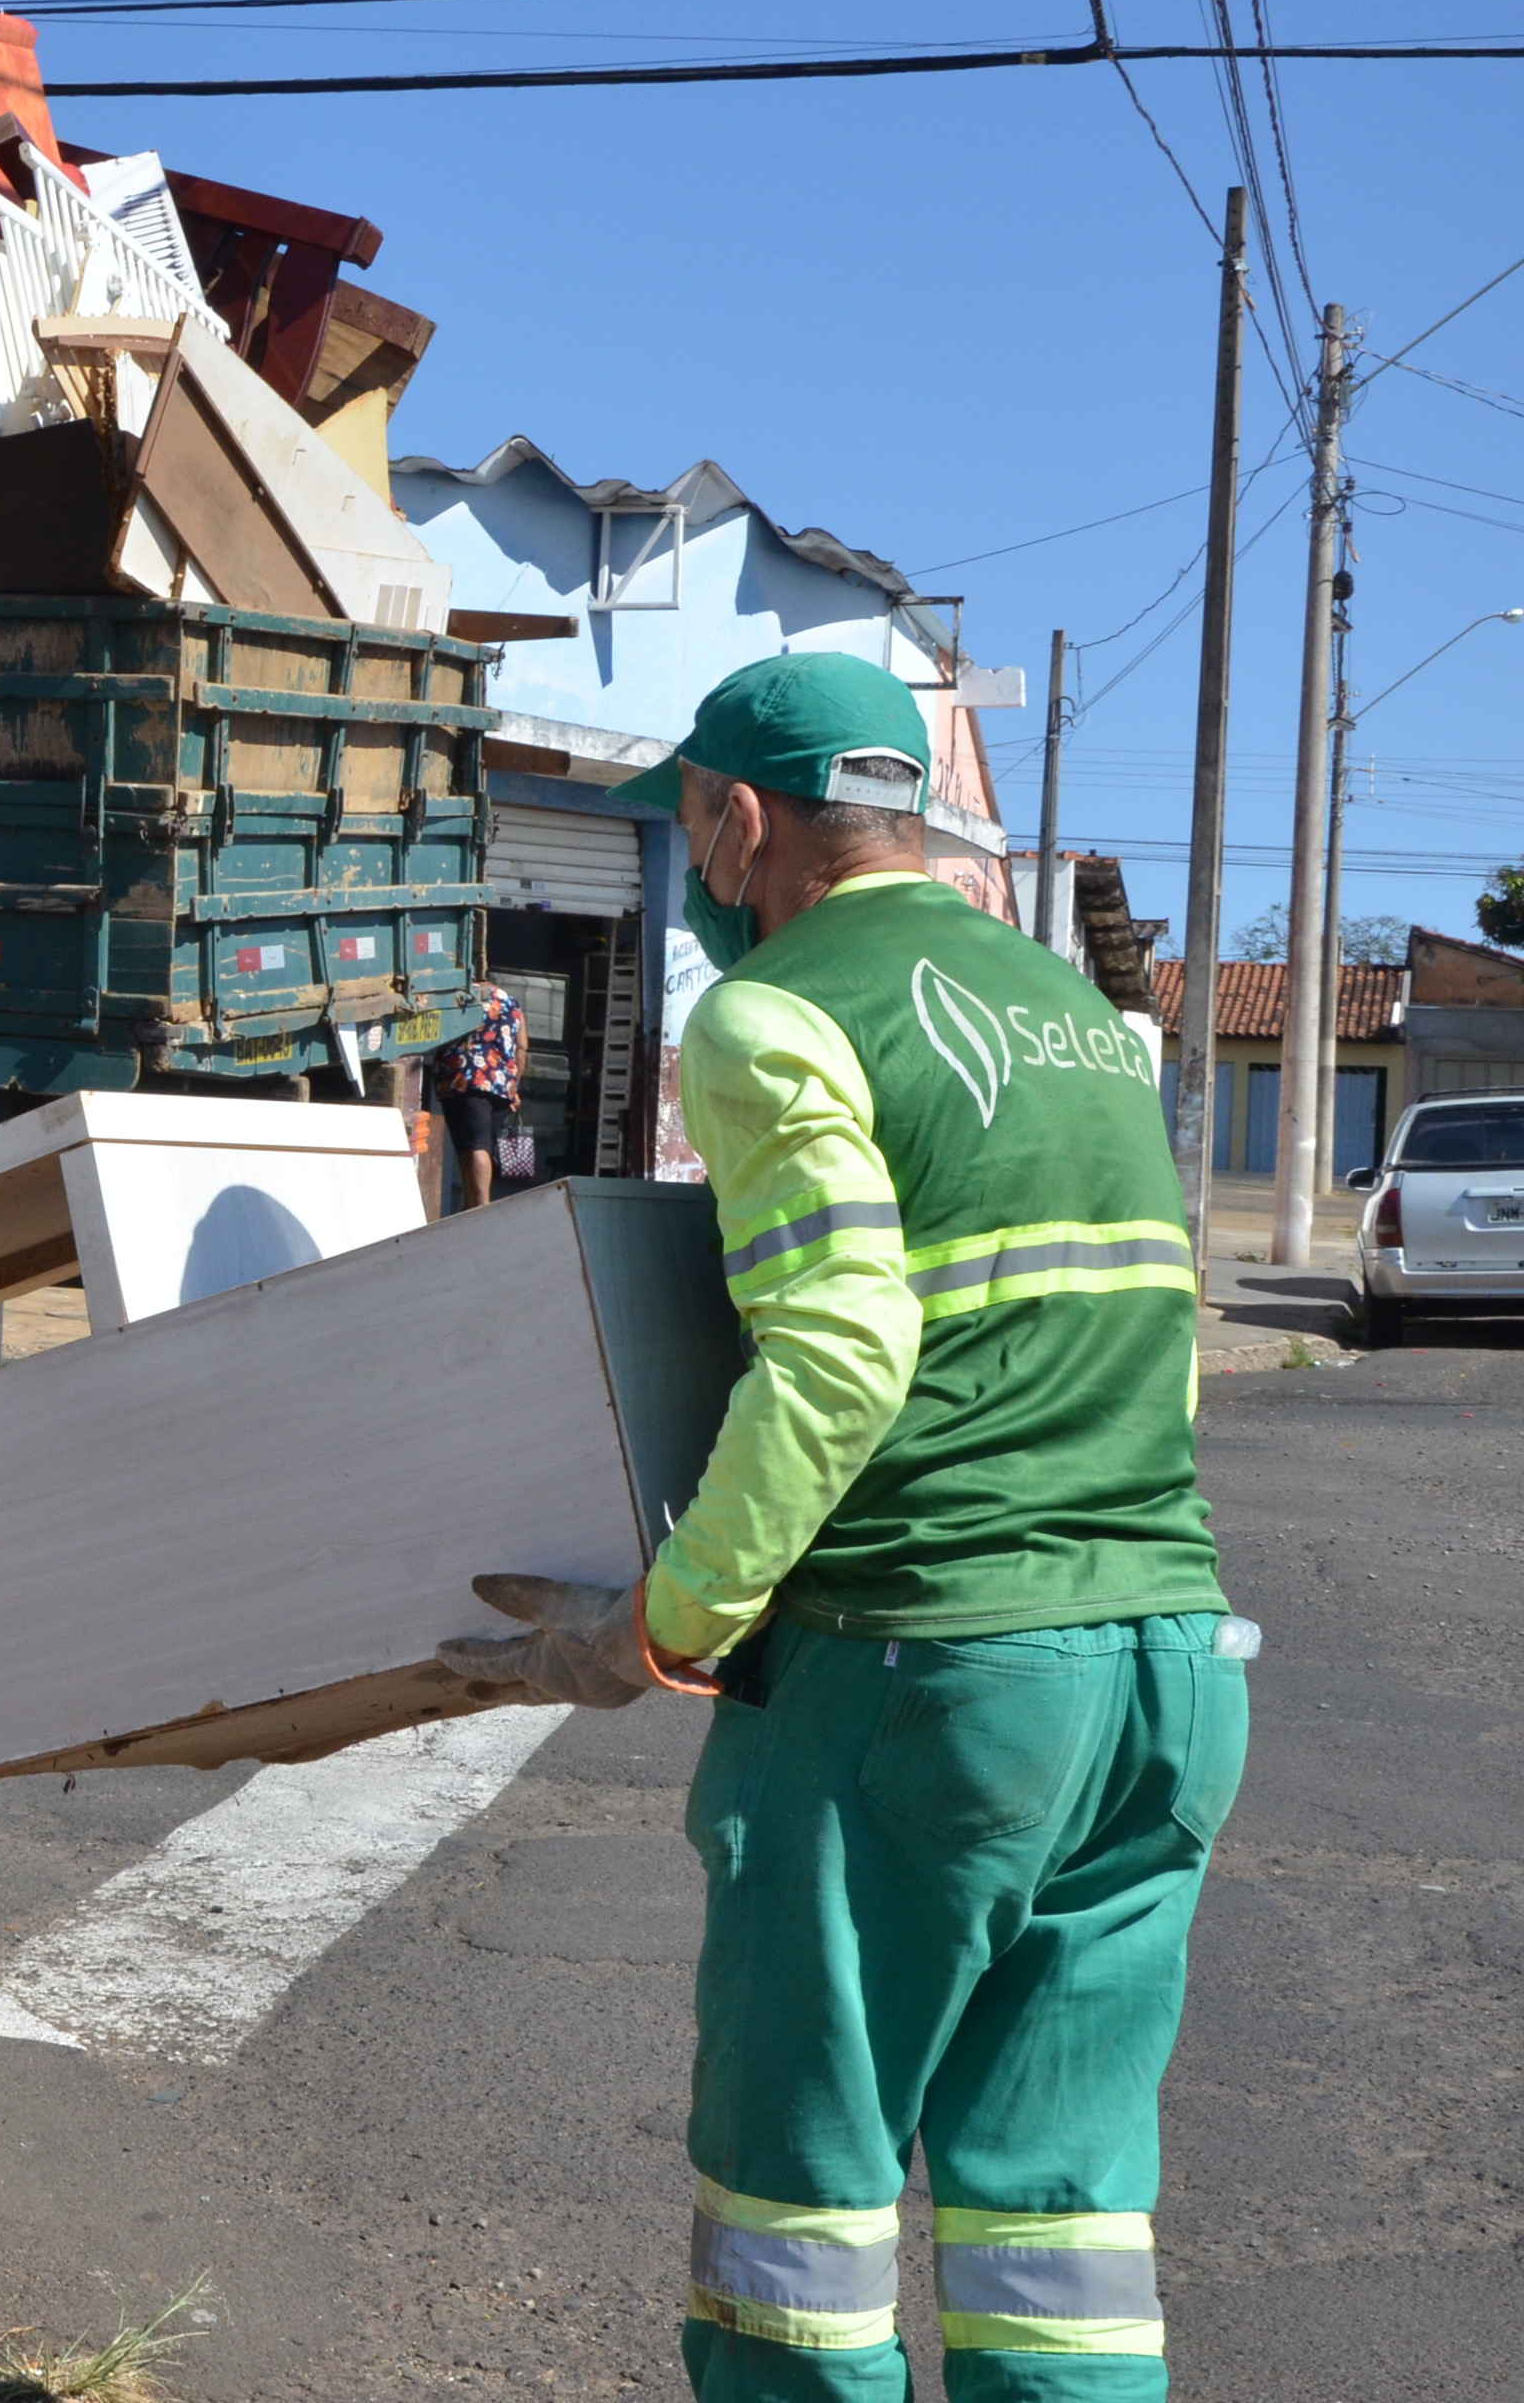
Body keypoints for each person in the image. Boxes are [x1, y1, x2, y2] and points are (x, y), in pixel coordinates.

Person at [435, 653, 1243, 2401]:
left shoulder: (777, 1013)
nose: (705, 877)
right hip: (1166, 1665)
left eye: (697, 834)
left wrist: (669, 1614)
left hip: (924, 1672)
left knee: (796, 2216)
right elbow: (1154, 1332)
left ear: (740, 817)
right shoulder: (1080, 1022)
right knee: (1062, 2234)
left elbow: (844, 1347)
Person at [439, 980, 525, 1209]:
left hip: (468, 1079)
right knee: (474, 1147)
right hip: (503, 1085)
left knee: (475, 1147)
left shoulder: (465, 996)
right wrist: (515, 1086)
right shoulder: (512, 1002)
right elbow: (522, 1047)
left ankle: (480, 1207)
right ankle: (470, 1208)